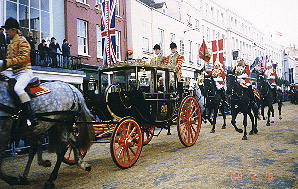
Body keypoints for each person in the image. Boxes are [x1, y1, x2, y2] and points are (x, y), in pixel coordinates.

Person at [0, 17, 38, 127]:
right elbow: (8, 64)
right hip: (14, 73)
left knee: (18, 88)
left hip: (25, 72)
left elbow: (23, 57)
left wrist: (5, 62)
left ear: (14, 30)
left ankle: (31, 116)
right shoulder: (10, 45)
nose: (6, 32)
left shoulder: (23, 42)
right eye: (6, 30)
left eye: (8, 29)